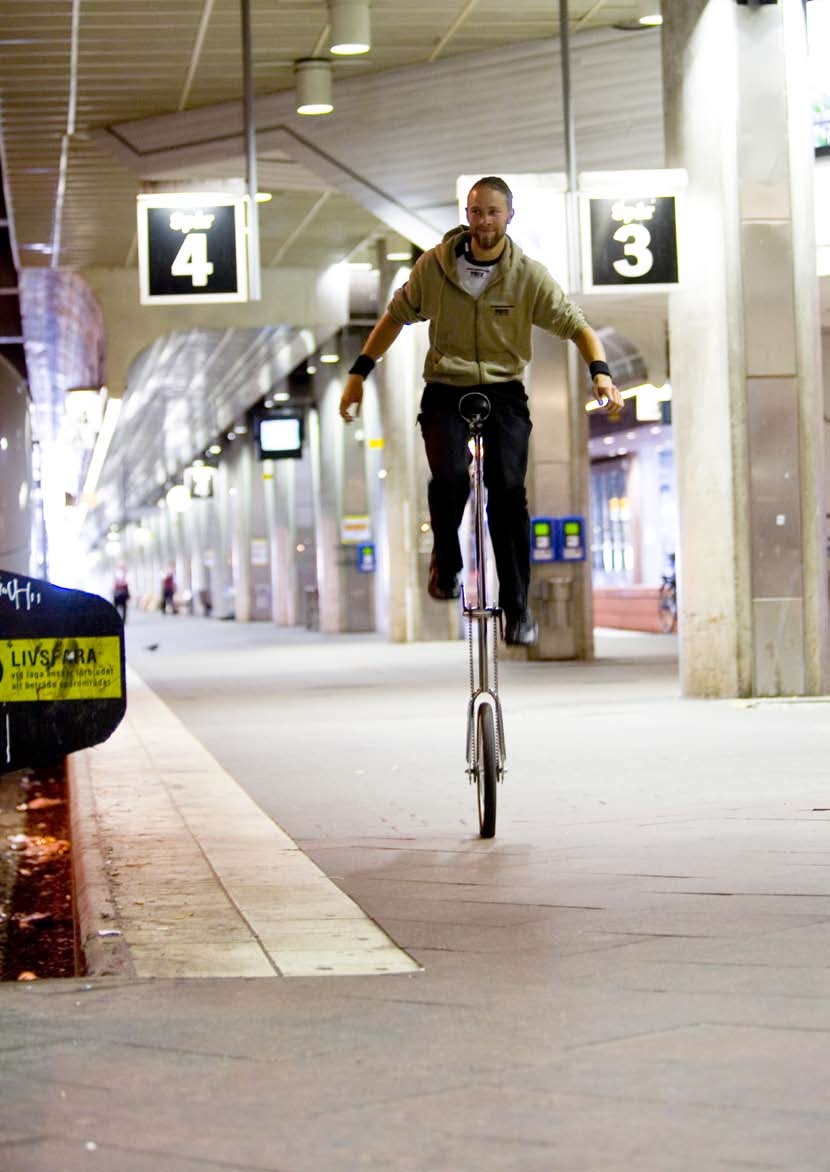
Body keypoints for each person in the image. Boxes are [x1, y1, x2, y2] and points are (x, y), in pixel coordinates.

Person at [339, 176, 622, 645]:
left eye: (493, 212)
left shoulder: (529, 275)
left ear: (509, 216)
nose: (484, 221)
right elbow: (394, 317)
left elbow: (578, 327)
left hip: (504, 391)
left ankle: (518, 608)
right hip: (446, 389)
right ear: (466, 215)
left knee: (508, 490)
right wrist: (357, 373)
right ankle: (447, 562)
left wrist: (602, 372)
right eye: (476, 212)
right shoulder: (434, 267)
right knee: (449, 475)